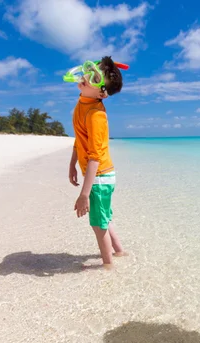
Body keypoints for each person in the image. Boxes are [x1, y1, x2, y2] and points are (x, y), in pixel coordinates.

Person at [69, 56, 127, 269]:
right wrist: (72, 164)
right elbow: (79, 138)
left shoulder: (96, 115)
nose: (85, 77)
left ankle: (108, 266)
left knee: (98, 224)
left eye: (94, 77)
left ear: (102, 93)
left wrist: (84, 194)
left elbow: (95, 156)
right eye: (89, 71)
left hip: (100, 177)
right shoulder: (81, 105)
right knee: (104, 218)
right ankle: (119, 251)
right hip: (97, 175)